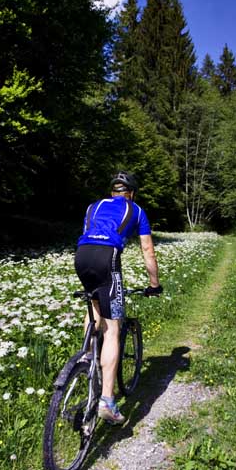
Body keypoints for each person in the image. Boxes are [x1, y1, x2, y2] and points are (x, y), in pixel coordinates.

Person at [74, 171, 163, 425]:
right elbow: (147, 249)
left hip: (81, 256)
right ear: (131, 193)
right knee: (113, 327)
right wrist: (154, 284)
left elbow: (89, 235)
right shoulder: (136, 209)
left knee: (94, 307)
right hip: (107, 257)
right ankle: (107, 401)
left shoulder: (94, 206)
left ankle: (87, 359)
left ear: (112, 192)